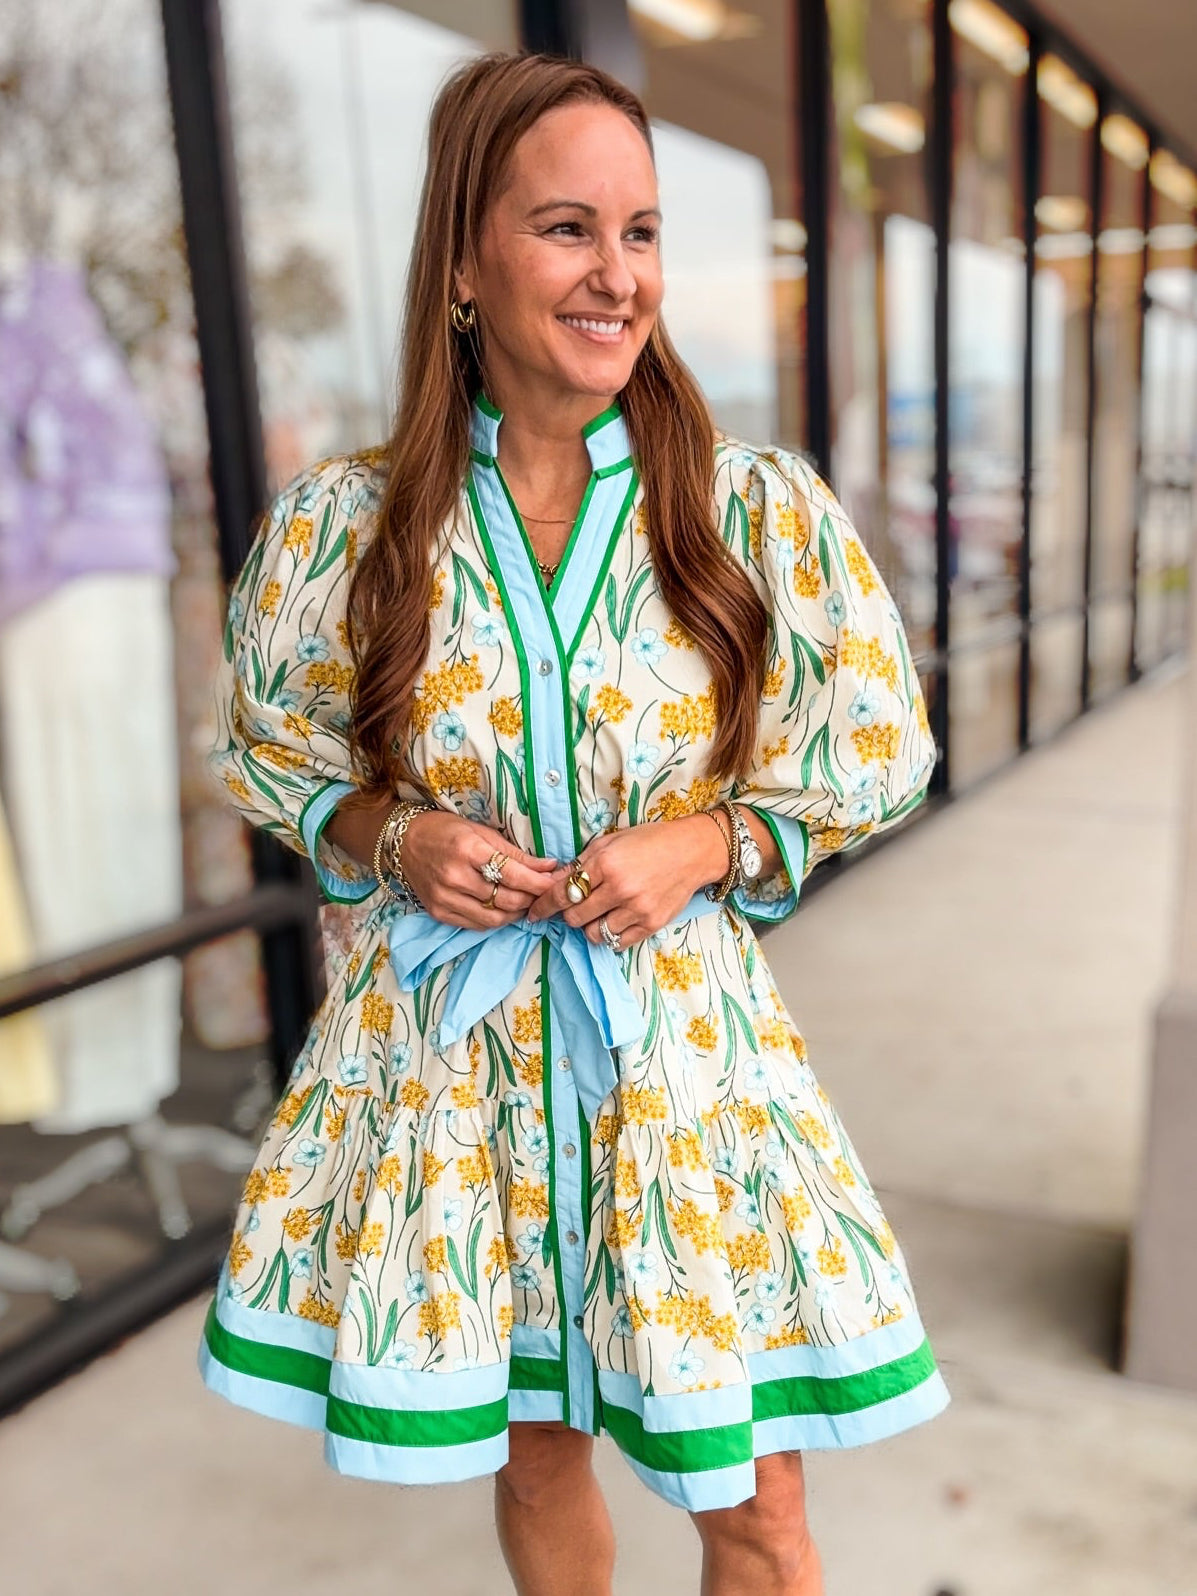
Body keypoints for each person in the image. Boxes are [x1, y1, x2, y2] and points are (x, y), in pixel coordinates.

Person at [197, 50, 947, 1596]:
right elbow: (269, 752)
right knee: (537, 1453)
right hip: (456, 1082)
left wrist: (707, 844)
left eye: (641, 232)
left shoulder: (750, 512)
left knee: (756, 1506)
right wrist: (390, 837)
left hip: (679, 1074)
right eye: (567, 229)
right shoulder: (346, 527)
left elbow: (874, 749)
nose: (618, 275)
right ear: (463, 262)